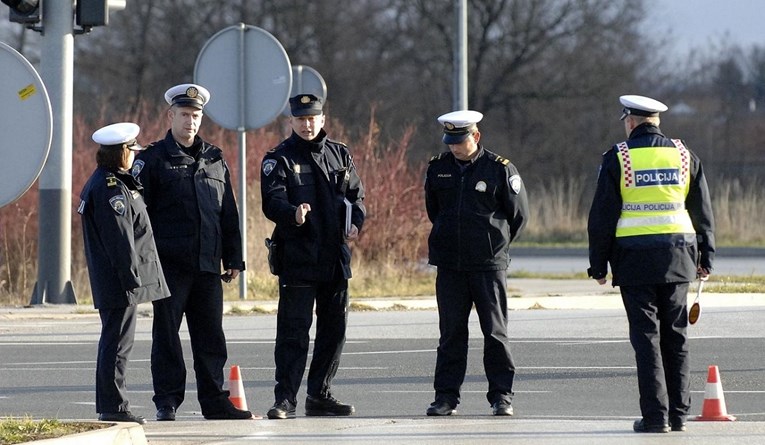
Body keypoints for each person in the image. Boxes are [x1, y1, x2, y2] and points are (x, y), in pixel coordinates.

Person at [587, 95, 715, 433]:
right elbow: (702, 209)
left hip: (634, 259)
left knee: (646, 339)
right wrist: (707, 257)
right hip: (678, 257)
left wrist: (598, 266)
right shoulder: (685, 155)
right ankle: (680, 415)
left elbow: (602, 216)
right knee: (676, 335)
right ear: (656, 121)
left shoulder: (620, 157)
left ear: (630, 121)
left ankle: (656, 417)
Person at [132, 83, 252, 421]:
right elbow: (140, 218)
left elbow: (227, 211)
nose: (191, 121)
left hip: (207, 264)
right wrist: (144, 262)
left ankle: (215, 402)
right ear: (171, 116)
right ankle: (167, 401)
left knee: (211, 337)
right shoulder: (153, 159)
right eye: (185, 114)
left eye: (196, 115)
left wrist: (234, 258)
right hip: (169, 266)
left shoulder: (214, 157)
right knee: (167, 337)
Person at [260, 94, 366, 419]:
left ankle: (320, 394)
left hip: (335, 259)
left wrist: (356, 223)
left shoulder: (340, 154)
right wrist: (294, 214)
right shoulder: (279, 158)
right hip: (299, 258)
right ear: (291, 121)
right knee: (293, 333)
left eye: (313, 118)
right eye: (301, 119)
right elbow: (271, 201)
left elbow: (356, 197)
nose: (308, 125)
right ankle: (285, 399)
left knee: (334, 332)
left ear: (322, 119)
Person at [424, 110, 529, 417]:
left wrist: (494, 245)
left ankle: (501, 396)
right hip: (450, 265)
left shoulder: (500, 170)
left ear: (476, 137)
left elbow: (518, 217)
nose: (454, 147)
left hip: (487, 264)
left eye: (460, 140)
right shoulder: (438, 168)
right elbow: (435, 210)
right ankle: (445, 397)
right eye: (450, 141)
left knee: (495, 333)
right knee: (451, 335)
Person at [78, 122, 170, 425]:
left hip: (119, 280)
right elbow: (120, 240)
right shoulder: (109, 188)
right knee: (117, 344)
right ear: (121, 153)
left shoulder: (116, 182)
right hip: (119, 281)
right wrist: (133, 279)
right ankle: (113, 405)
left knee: (117, 342)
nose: (134, 154)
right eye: (131, 149)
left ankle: (112, 403)